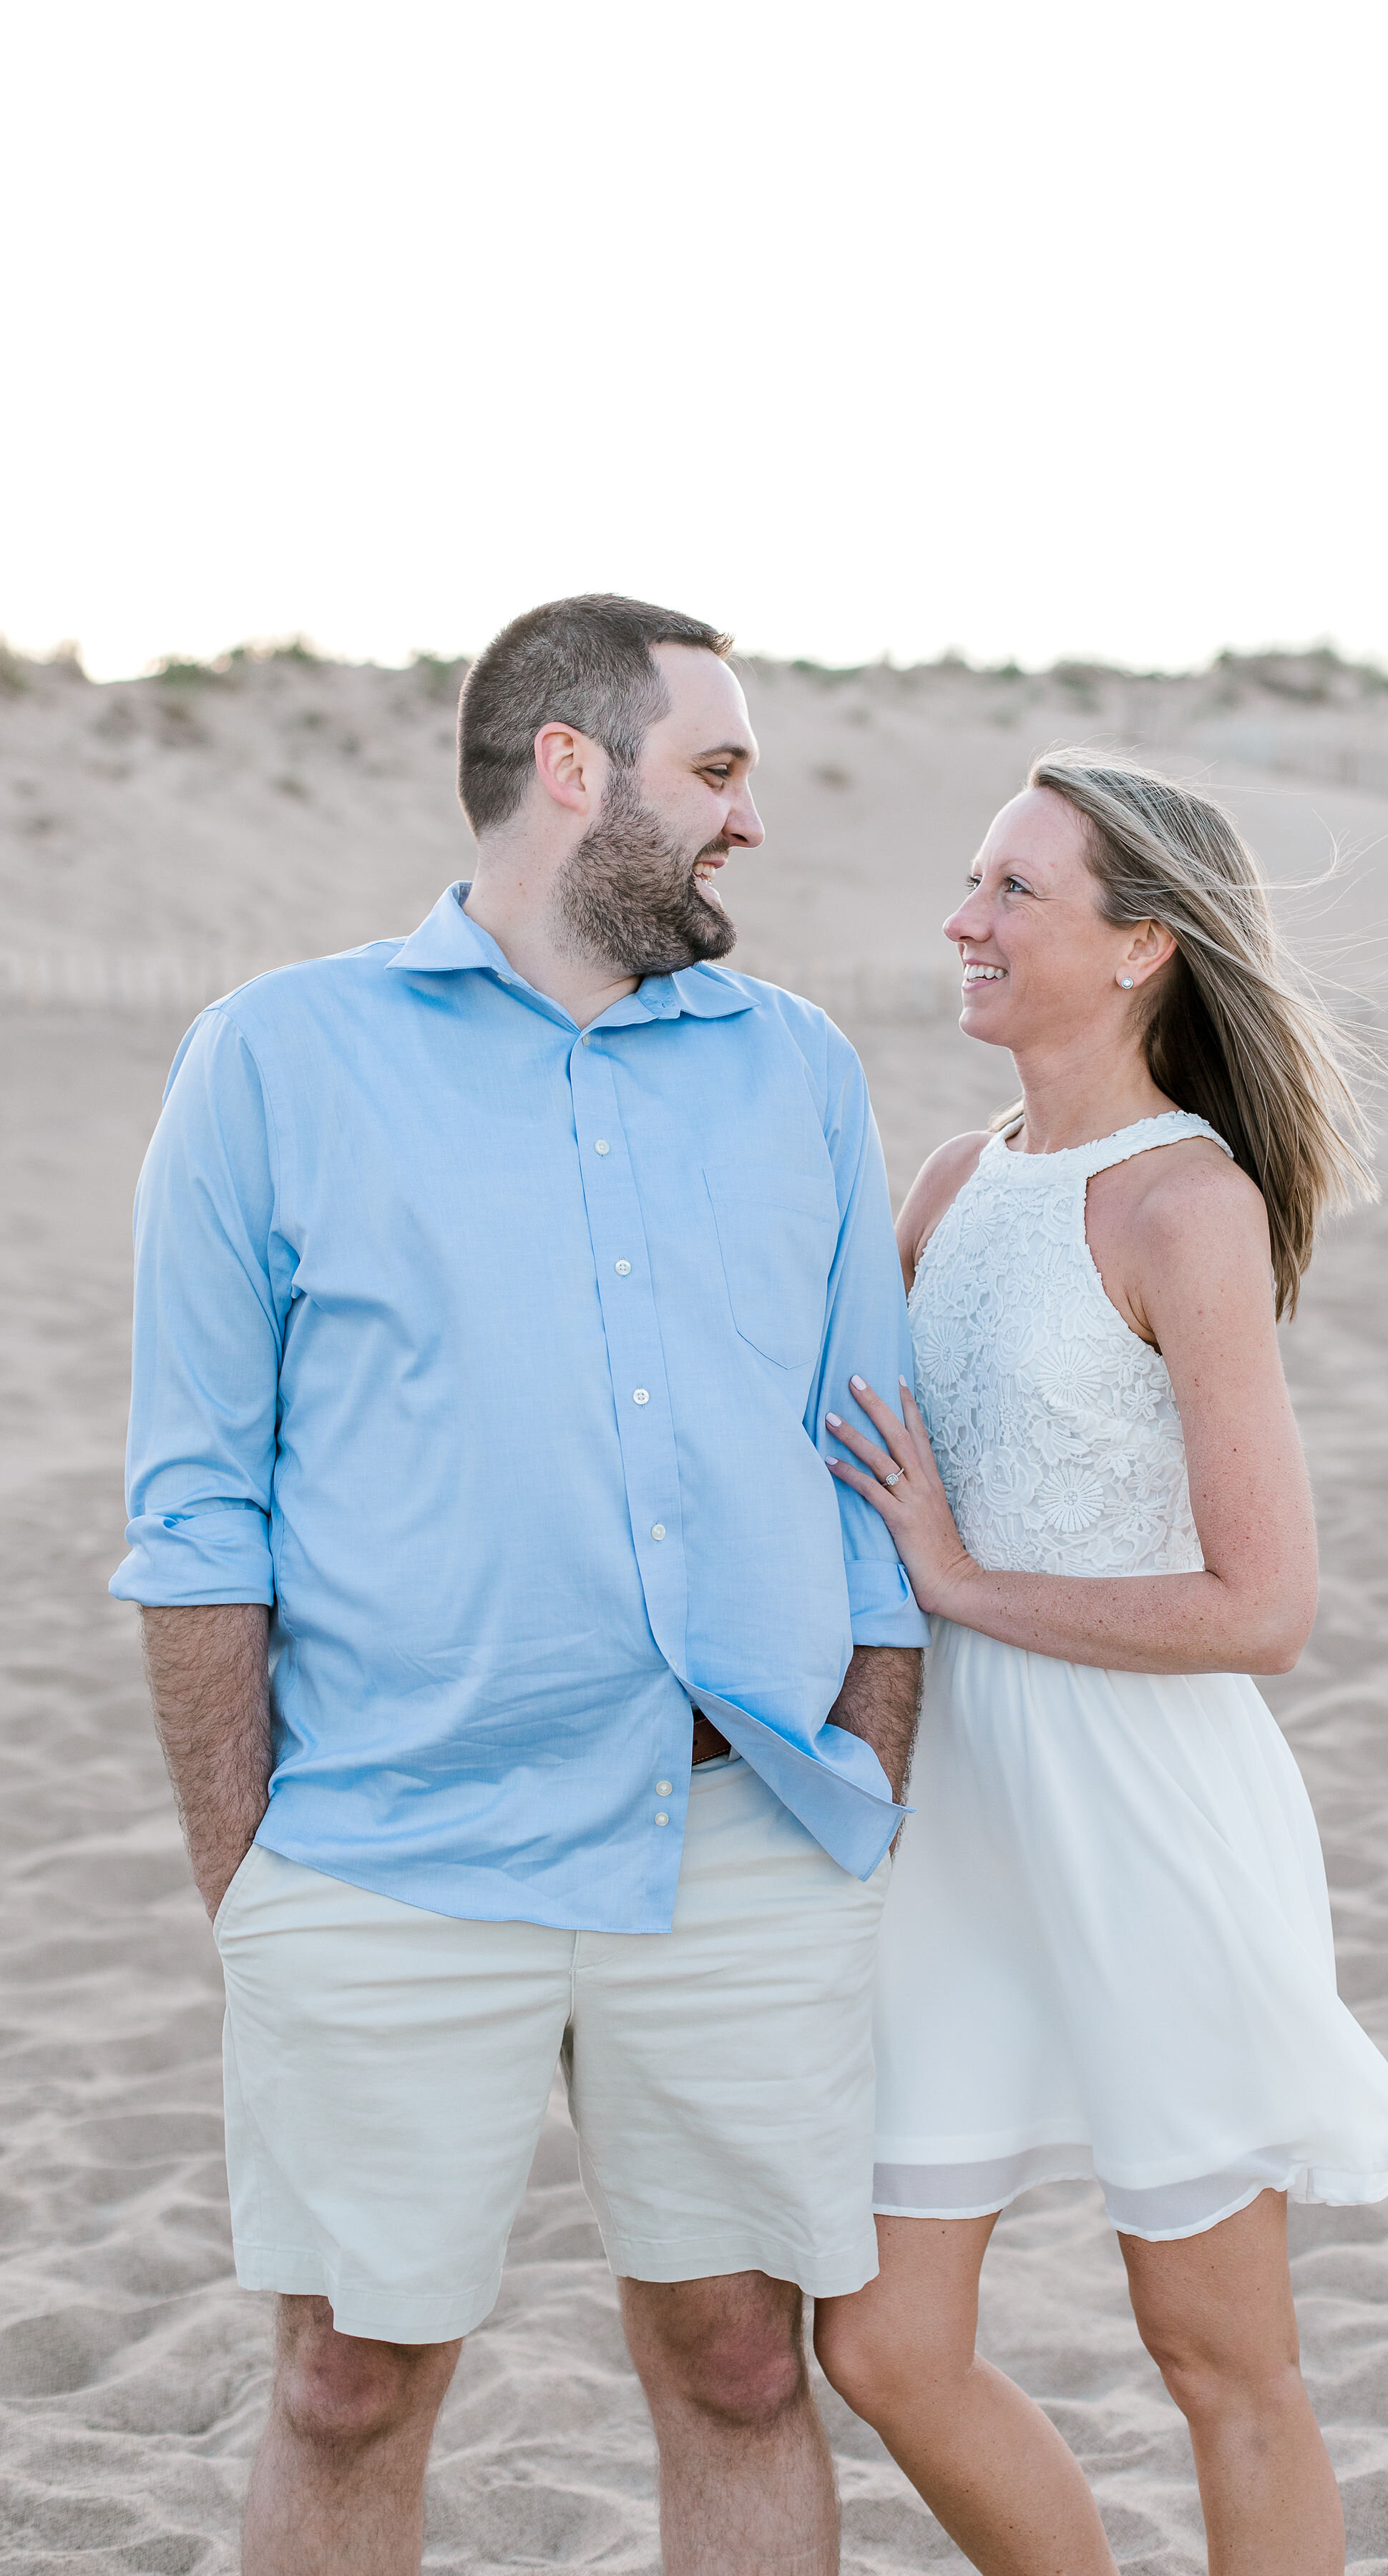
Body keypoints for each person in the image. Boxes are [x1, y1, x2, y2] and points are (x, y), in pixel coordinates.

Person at [111, 595, 927, 2576]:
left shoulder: (793, 1065)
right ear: (574, 769)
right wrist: (255, 1878)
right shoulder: (275, 1060)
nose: (749, 821)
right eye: (717, 769)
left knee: (742, 2361)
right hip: (391, 1843)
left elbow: (870, 1459)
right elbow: (197, 1503)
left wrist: (864, 1773)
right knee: (347, 2379)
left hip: (742, 1835)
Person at [813, 753, 1388, 2576]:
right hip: (951, 1831)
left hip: (1149, 1815)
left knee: (1219, 2353)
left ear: (1144, 943)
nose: (965, 920)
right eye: (974, 880)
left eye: (1015, 891)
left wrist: (957, 1574)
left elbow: (1262, 1609)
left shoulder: (1185, 1207)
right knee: (888, 2342)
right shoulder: (947, 1178)